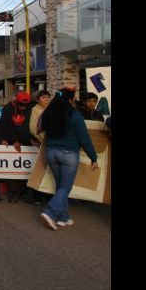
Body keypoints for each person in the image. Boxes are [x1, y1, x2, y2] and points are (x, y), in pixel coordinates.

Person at [39, 87, 99, 231]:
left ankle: (63, 217)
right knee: (65, 187)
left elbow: (40, 130)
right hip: (69, 154)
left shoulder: (48, 113)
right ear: (71, 100)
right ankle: (50, 212)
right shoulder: (75, 116)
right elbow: (84, 139)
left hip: (51, 152)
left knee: (60, 186)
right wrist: (93, 157)